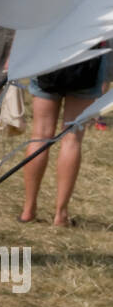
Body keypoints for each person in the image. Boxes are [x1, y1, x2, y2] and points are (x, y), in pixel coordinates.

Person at [20, 53, 106, 226]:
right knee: (72, 139)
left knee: (40, 136)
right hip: (88, 59)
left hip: (50, 56)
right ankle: (61, 214)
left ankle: (28, 210)